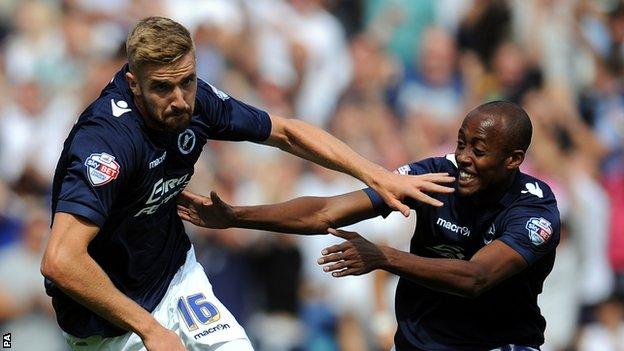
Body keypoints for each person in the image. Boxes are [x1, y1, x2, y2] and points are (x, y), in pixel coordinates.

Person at [40, 16, 454, 351]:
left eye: (187, 80)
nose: (180, 99)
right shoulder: (106, 143)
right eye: (163, 88)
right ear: (134, 84)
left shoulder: (196, 101)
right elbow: (61, 260)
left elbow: (288, 133)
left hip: (173, 279)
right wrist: (150, 329)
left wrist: (374, 173)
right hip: (108, 321)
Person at [178, 101, 561, 350]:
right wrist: (235, 217)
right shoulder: (433, 177)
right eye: (461, 144)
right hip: (419, 343)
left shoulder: (534, 212)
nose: (462, 158)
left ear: (513, 159)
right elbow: (326, 211)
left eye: (477, 151)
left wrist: (384, 258)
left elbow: (476, 277)